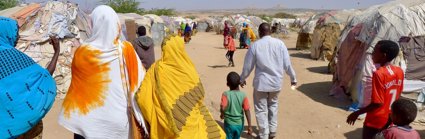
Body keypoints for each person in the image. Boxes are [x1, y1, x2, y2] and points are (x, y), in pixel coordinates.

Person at [58, 5, 148, 139]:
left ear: (94, 24)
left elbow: (78, 88)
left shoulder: (83, 52)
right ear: (116, 24)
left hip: (86, 121)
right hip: (119, 122)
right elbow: (141, 83)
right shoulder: (127, 49)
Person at [136, 35, 226, 139]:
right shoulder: (188, 68)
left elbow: (142, 98)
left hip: (168, 128)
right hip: (194, 122)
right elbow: (200, 94)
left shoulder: (155, 69)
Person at [0, 17, 59, 138]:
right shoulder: (14, 58)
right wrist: (57, 52)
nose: (17, 37)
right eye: (15, 33)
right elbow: (43, 79)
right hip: (27, 128)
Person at [240, 23, 297, 139]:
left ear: (260, 32)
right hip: (276, 84)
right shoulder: (280, 44)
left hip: (261, 84)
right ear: (270, 31)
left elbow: (248, 66)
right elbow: (287, 64)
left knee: (261, 110)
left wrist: (242, 79)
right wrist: (293, 78)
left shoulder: (255, 46)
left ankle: (263, 135)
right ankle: (273, 131)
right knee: (273, 106)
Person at [346, 40, 404, 139]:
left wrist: (356, 113)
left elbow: (378, 103)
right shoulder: (399, 71)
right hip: (390, 118)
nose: (372, 54)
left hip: (375, 120)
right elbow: (398, 94)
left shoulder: (379, 74)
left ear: (383, 56)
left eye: (375, 51)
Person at [220, 72, 252, 139]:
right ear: (239, 83)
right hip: (239, 124)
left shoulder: (225, 95)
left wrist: (222, 114)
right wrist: (249, 126)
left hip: (229, 123)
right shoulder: (243, 95)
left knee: (228, 137)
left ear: (227, 84)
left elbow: (223, 107)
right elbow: (247, 110)